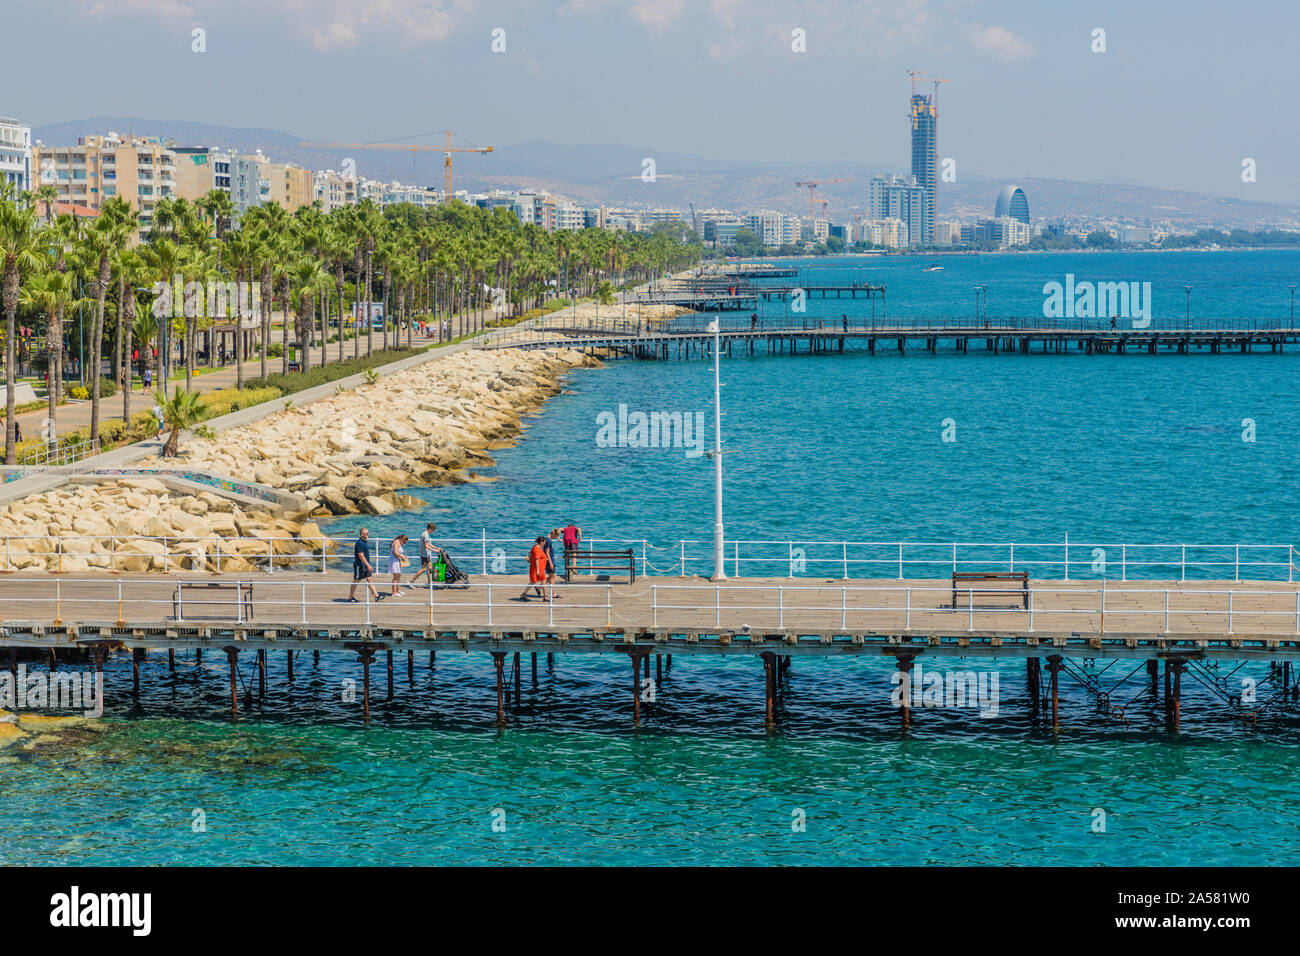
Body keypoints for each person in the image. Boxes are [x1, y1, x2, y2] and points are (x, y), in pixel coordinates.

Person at [349, 528, 381, 602]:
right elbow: (361, 556)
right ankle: (350, 597)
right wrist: (368, 565)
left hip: (365, 565)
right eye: (364, 533)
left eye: (367, 533)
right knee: (356, 581)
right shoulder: (359, 543)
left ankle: (376, 596)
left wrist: (367, 565)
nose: (365, 535)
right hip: (359, 565)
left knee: (370, 579)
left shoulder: (364, 542)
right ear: (360, 534)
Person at [408, 522, 445, 586]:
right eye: (433, 530)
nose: (433, 531)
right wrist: (435, 551)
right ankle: (411, 580)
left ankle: (429, 582)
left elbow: (429, 544)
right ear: (430, 528)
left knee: (430, 568)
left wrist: (437, 548)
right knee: (423, 569)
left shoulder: (425, 534)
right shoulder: (426, 535)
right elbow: (426, 546)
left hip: (426, 554)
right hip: (424, 555)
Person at [520, 536, 549, 601]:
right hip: (538, 568)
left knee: (534, 581)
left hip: (537, 568)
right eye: (544, 542)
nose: (545, 543)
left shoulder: (535, 547)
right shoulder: (538, 548)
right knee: (539, 581)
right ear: (541, 542)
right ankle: (545, 597)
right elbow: (536, 559)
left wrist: (544, 558)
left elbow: (534, 556)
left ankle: (524, 594)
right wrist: (538, 569)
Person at [544, 528, 562, 596]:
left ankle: (539, 587)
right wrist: (551, 563)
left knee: (552, 576)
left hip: (550, 560)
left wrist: (557, 537)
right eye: (556, 536)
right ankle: (553, 593)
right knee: (552, 577)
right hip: (549, 560)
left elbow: (557, 532)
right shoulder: (548, 541)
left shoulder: (548, 539)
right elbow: (547, 552)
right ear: (553, 534)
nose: (556, 537)